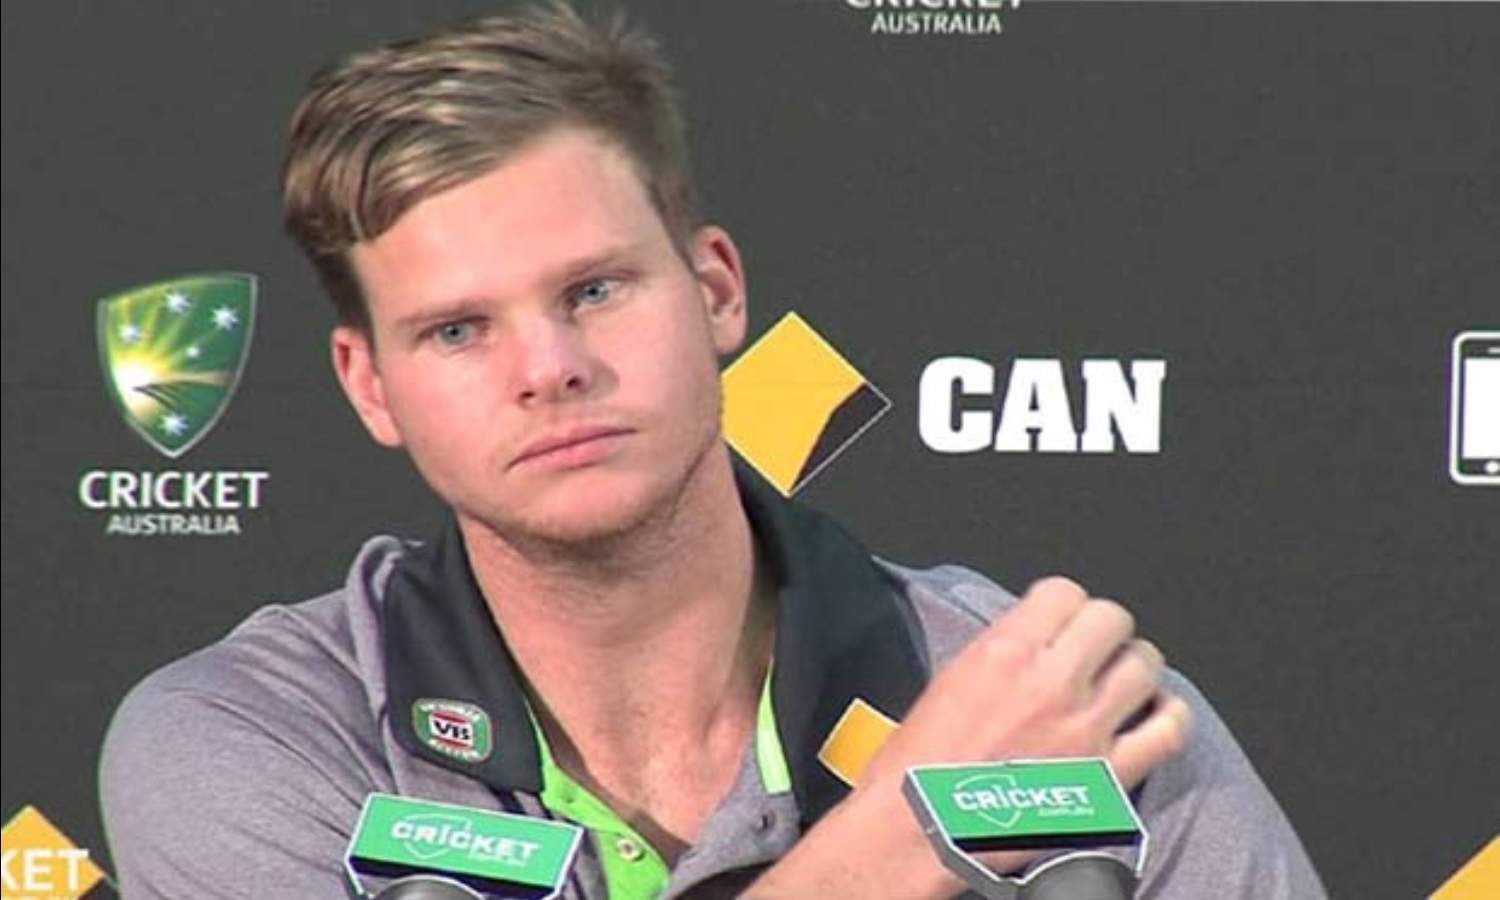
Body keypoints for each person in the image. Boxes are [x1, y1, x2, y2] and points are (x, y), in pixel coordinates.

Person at [99, 4, 1326, 898]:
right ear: (371, 385)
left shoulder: (1051, 710)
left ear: (717, 290)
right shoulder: (257, 738)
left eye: (594, 289)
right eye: (458, 330)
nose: (549, 368)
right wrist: (907, 840)